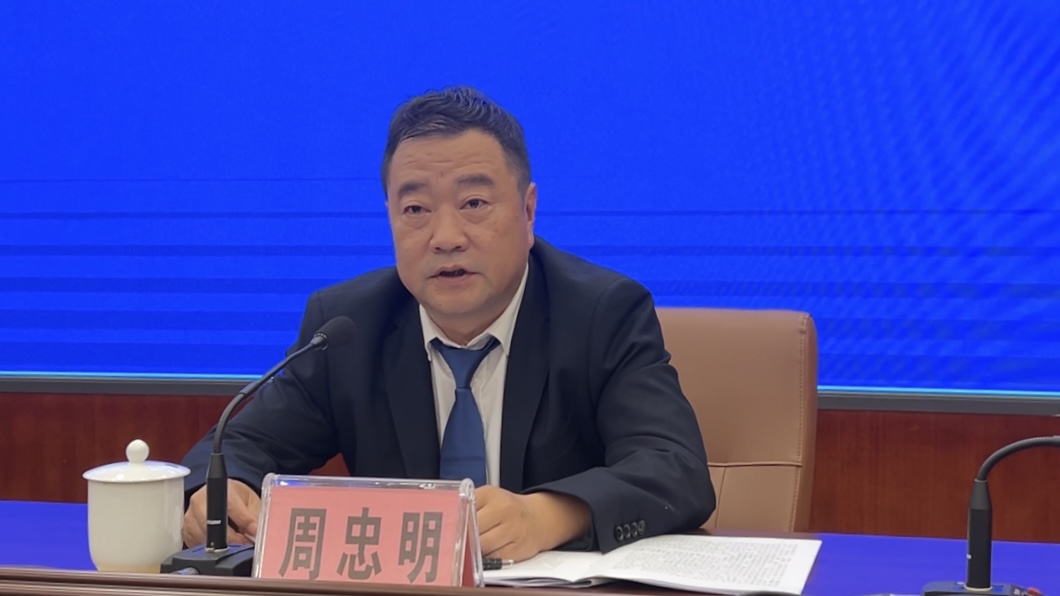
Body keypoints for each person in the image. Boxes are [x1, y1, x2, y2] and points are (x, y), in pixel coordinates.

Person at [180, 86, 715, 562]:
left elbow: (675, 470)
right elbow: (236, 447)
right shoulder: (348, 327)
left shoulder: (601, 313)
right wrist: (222, 491)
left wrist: (547, 515)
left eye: (474, 203)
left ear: (528, 211)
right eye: (415, 210)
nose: (446, 237)